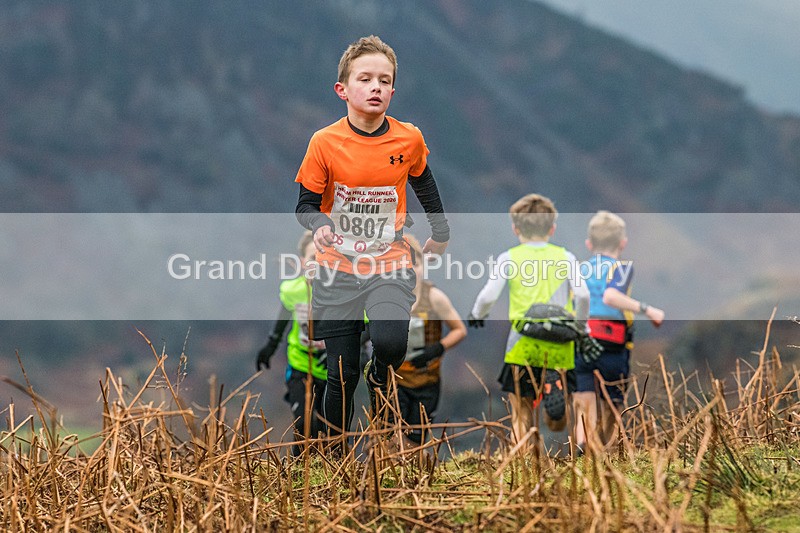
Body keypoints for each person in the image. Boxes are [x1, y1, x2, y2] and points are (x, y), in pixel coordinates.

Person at [294, 36, 450, 442]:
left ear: (393, 91)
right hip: (336, 268)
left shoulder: (408, 139)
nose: (376, 87)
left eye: (385, 80)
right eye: (365, 79)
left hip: (389, 260)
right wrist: (320, 225)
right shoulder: (323, 142)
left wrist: (441, 231)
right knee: (340, 377)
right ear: (342, 90)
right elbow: (305, 205)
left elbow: (425, 183)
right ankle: (333, 456)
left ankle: (379, 371)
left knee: (391, 342)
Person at [468, 193, 590, 445]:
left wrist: (477, 314)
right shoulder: (565, 258)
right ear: (552, 228)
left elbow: (487, 296)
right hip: (559, 345)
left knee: (521, 414)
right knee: (559, 419)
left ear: (516, 228)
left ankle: (521, 465)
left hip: (522, 344)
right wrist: (580, 328)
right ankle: (554, 403)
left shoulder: (509, 258)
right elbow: (583, 295)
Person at [573, 211, 664, 452]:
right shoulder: (622, 269)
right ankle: (610, 453)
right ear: (622, 244)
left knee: (584, 403)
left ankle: (584, 454)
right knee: (613, 405)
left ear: (589, 244)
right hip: (612, 344)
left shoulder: (579, 269)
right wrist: (648, 309)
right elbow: (611, 296)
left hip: (581, 341)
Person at [256, 231, 327, 456]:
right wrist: (270, 347)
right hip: (299, 365)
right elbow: (283, 320)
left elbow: (362, 324)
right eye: (312, 258)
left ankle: (327, 471)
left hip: (330, 370)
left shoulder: (342, 293)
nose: (317, 264)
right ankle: (299, 471)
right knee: (304, 423)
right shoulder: (293, 290)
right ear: (303, 262)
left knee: (327, 428)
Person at [395, 235, 466, 445]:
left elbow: (459, 330)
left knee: (415, 440)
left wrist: (438, 348)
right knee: (390, 437)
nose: (410, 271)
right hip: (394, 379)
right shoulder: (384, 299)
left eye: (414, 264)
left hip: (426, 380)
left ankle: (414, 475)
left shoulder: (434, 297)